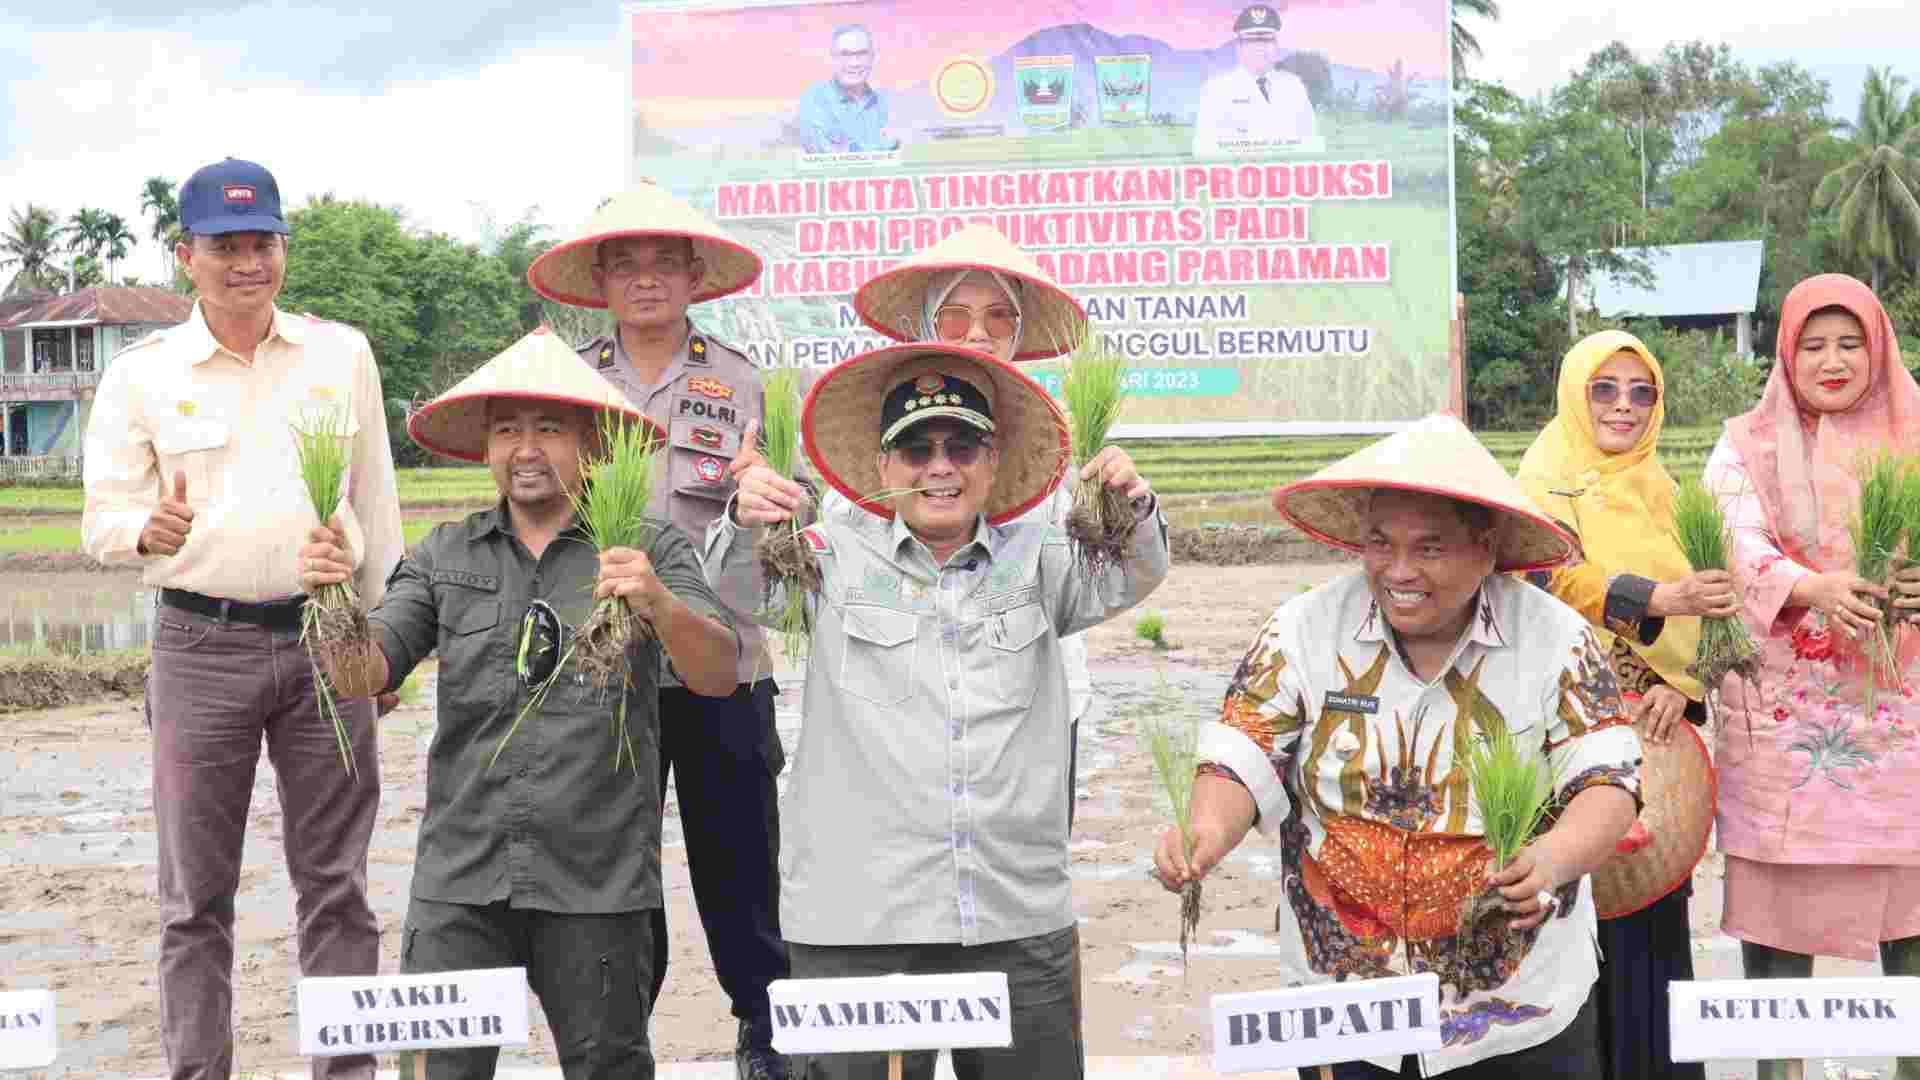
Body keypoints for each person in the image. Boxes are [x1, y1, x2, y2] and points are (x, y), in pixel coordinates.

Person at [715, 340, 1169, 1079]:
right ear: (883, 468)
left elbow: (1135, 573)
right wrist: (746, 516)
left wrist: (1134, 501)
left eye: (962, 445)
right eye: (916, 448)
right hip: (860, 923)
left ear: (992, 463)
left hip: (1013, 914)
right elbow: (740, 588)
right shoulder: (828, 559)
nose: (940, 466)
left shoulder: (1043, 559)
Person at [296, 327, 740, 1079]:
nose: (525, 448)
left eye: (548, 429)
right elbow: (362, 674)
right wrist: (332, 596)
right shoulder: (444, 554)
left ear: (592, 444)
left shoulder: (649, 548)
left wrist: (657, 601)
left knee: (609, 1067)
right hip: (461, 879)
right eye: (507, 430)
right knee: (438, 1072)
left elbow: (718, 674)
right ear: (486, 446)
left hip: (596, 883)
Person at [1153, 415, 1643, 1077]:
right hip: (1347, 1007)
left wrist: (1553, 858)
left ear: (1486, 548)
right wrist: (1205, 831)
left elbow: (1608, 780)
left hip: (1515, 1014)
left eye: (1431, 549)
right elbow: (1243, 749)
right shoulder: (1305, 630)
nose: (1400, 571)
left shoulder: (1555, 638)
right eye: (1380, 544)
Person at [80, 157, 404, 1080]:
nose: (246, 261)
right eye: (225, 245)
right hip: (198, 645)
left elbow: (376, 508)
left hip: (325, 637)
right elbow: (100, 520)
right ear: (188, 255)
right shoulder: (143, 375)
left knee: (337, 886)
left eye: (262, 241)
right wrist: (147, 527)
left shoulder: (340, 355)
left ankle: (345, 1072)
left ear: (283, 249)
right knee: (194, 896)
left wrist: (381, 649)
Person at [526, 182, 790, 1080]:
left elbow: (789, 517)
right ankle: (619, 1032)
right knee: (612, 861)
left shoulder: (746, 381)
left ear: (694, 274)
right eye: (625, 263)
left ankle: (766, 1029)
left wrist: (772, 499)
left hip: (723, 659)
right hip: (606, 665)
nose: (645, 279)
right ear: (599, 279)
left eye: (663, 262)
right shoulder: (565, 382)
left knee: (740, 861)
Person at [1704, 273, 1920, 1080]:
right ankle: (1777, 1072)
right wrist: (1811, 588)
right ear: (1787, 354)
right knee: (1778, 927)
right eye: (1813, 344)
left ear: (1879, 346)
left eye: (1850, 342)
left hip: (1904, 725)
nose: (1832, 361)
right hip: (1785, 735)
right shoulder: (1747, 442)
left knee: (1912, 915)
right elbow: (1730, 533)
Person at [1515, 331, 1739, 1080]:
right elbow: (1547, 577)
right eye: (1604, 388)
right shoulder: (1542, 482)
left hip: (1652, 750)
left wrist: (1683, 687)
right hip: (1556, 733)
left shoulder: (1669, 494)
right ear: (1575, 392)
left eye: (1641, 391)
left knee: (1646, 925)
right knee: (1557, 919)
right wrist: (1657, 599)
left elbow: (1713, 614)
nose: (1623, 406)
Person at [842, 223, 1096, 826]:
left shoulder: (1054, 444)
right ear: (930, 324)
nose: (978, 333)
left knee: (1025, 859)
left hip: (1032, 691)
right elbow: (841, 547)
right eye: (956, 317)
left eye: (999, 317)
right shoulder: (882, 437)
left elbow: (1096, 573)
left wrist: (1116, 510)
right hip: (909, 694)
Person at [1192, 4, 1316, 157]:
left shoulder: (1294, 86)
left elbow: (1311, 143)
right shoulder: (1215, 90)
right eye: (1251, 41)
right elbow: (1204, 149)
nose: (1260, 48)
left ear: (1276, 45)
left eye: (1266, 40)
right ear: (1238, 47)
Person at [797, 24, 903, 154]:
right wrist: (881, 146)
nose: (854, 63)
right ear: (832, 58)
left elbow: (899, 149)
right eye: (845, 54)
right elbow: (827, 156)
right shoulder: (814, 100)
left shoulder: (883, 104)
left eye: (862, 54)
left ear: (872, 58)